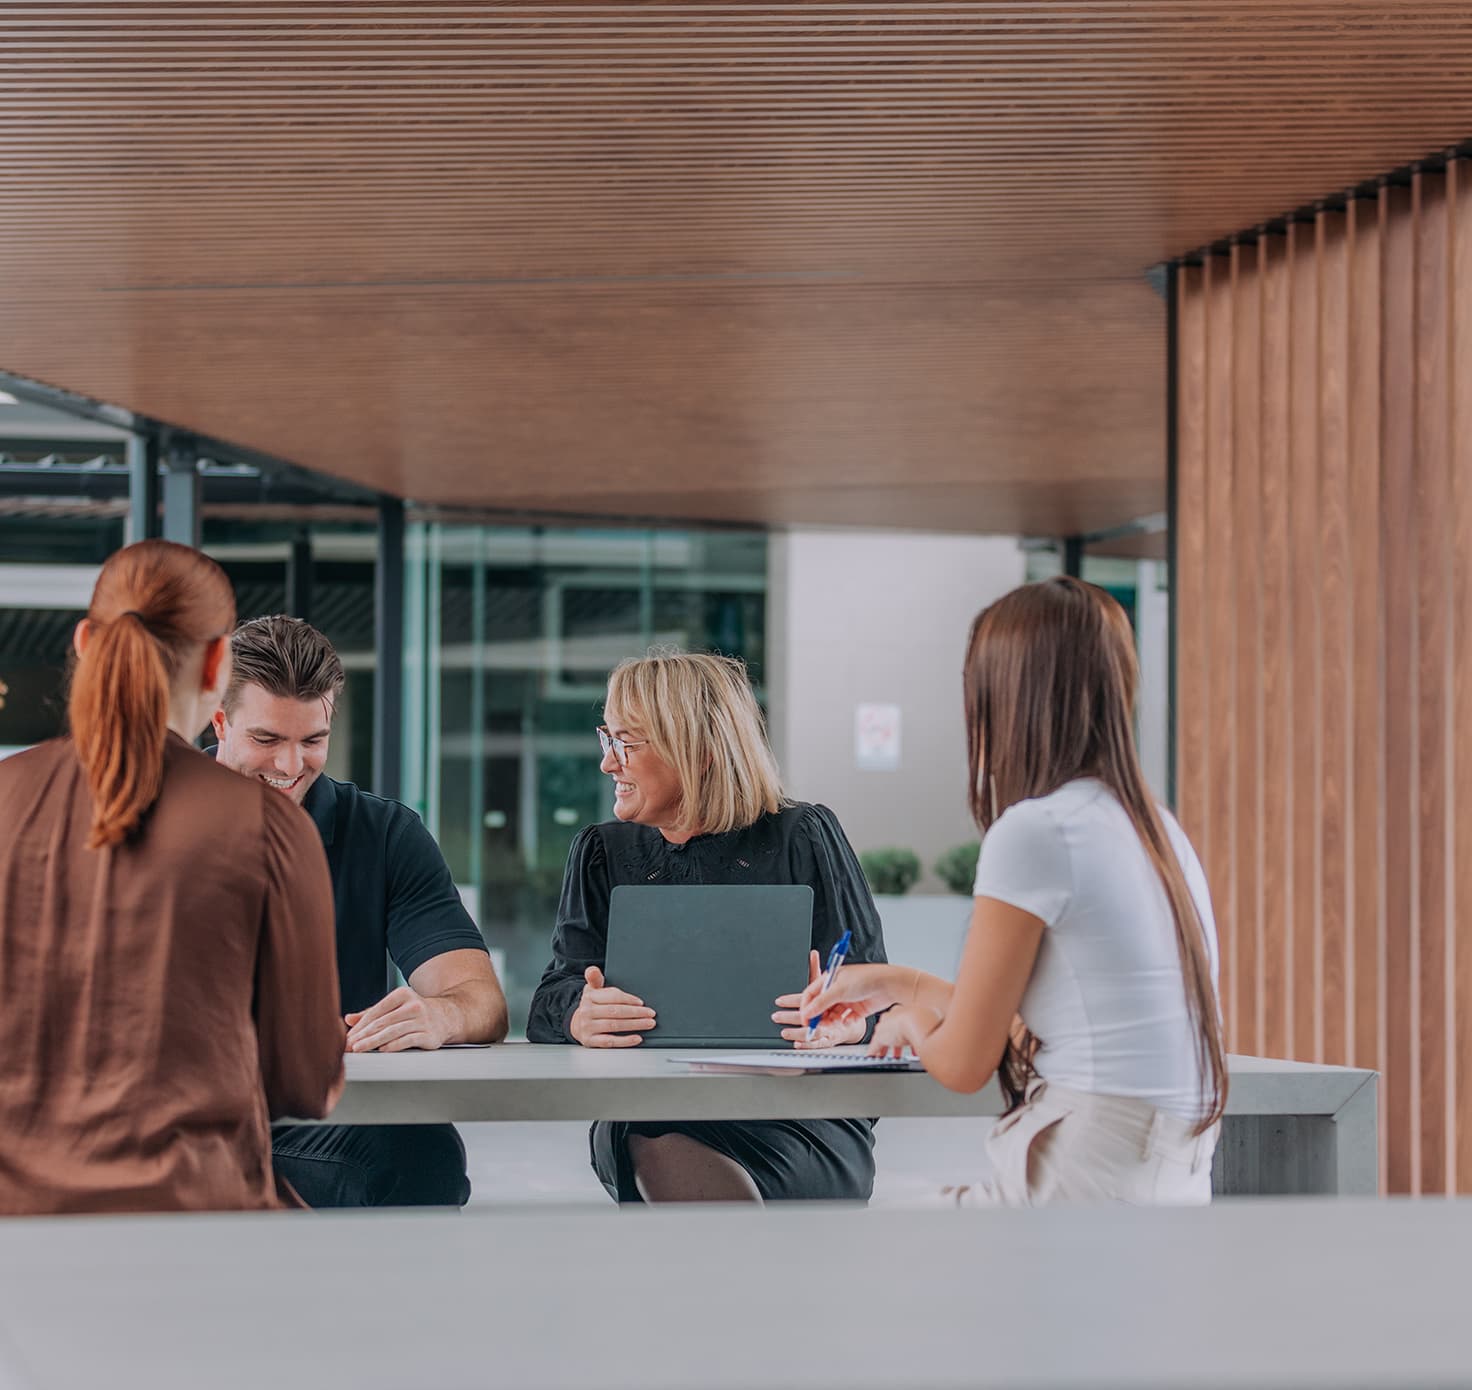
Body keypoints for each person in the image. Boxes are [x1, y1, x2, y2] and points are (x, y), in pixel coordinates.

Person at [803, 577, 1226, 1205]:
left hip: (1082, 1179)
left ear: (1006, 697)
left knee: (835, 1224)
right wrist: (897, 985)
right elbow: (1050, 1024)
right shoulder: (1155, 830)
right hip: (1166, 1179)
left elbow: (967, 1063)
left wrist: (915, 1023)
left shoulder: (1037, 831)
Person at [0, 540, 344, 1214]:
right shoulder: (267, 826)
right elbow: (304, 1082)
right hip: (193, 1222)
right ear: (218, 664)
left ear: (84, 642)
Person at [527, 650, 886, 1204]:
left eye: (628, 742)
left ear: (700, 752)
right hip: (651, 1107)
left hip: (798, 1116)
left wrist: (844, 1023)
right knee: (653, 1132)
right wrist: (579, 1012)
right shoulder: (601, 852)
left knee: (668, 1157)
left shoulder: (803, 836)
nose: (607, 763)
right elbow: (551, 997)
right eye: (608, 738)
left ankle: (717, 1280)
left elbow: (876, 997)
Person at [211, 615, 509, 1208]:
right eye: (266, 740)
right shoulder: (153, 819)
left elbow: (481, 1001)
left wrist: (440, 1017)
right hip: (180, 1115)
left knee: (421, 1154)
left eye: (312, 740)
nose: (291, 767)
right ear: (220, 721)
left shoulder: (385, 833)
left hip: (318, 1121)